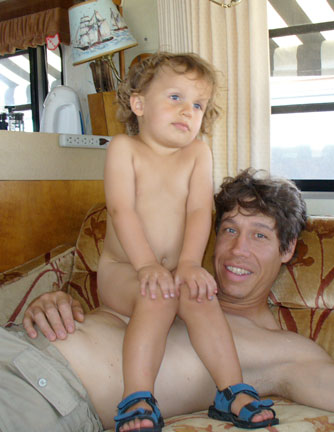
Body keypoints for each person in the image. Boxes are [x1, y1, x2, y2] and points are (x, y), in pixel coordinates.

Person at [1, 169, 334, 432]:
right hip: (15, 345)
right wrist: (52, 300)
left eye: (260, 235)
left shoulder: (285, 352)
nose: (237, 250)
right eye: (229, 230)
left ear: (287, 250)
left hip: (46, 392)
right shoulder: (171, 277)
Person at [96, 52, 275, 432]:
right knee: (157, 296)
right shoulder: (123, 149)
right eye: (175, 97)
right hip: (123, 270)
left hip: (175, 269)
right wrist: (146, 266)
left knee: (201, 297)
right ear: (139, 104)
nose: (187, 111)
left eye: (198, 104)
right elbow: (121, 210)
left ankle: (231, 391)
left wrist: (191, 264)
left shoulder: (197, 153)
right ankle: (137, 397)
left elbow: (198, 211)